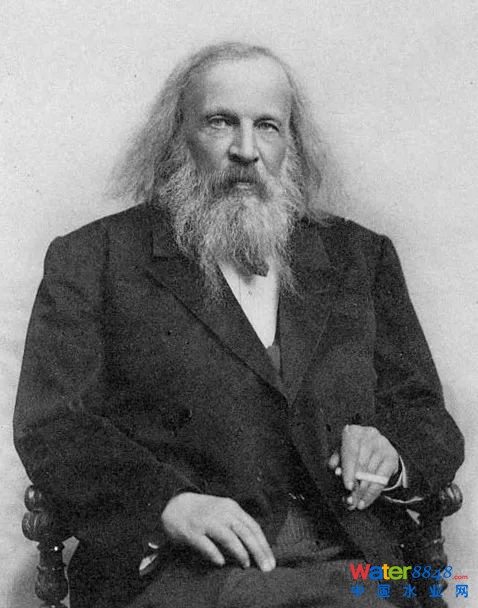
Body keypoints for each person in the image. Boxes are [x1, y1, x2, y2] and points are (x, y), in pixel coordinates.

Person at [14, 42, 464, 608]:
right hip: (186, 574)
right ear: (177, 137)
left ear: (291, 144)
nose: (246, 150)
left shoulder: (359, 256)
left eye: (267, 126)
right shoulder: (94, 258)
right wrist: (168, 504)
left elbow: (426, 416)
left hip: (355, 568)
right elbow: (52, 426)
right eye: (221, 122)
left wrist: (390, 454)